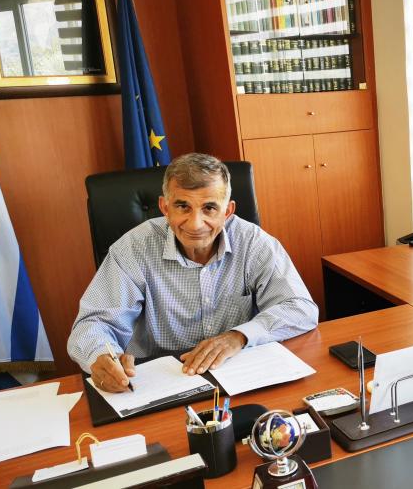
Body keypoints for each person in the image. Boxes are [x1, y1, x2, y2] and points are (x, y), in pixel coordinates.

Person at [68, 153, 318, 393]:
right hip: (160, 381)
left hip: (237, 374)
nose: (196, 224)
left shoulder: (253, 242)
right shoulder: (133, 248)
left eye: (209, 208)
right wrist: (101, 355)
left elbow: (300, 308)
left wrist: (239, 336)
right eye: (182, 206)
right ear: (165, 207)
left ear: (228, 211)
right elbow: (93, 323)